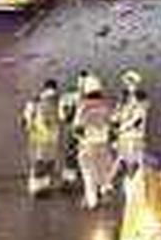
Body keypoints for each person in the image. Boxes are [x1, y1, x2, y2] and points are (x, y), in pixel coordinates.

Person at [72, 74, 117, 211]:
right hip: (103, 143)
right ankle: (105, 190)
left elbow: (77, 127)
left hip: (87, 145)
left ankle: (92, 201)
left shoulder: (83, 107)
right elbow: (114, 123)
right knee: (104, 170)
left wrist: (79, 138)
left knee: (88, 173)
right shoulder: (107, 106)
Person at [21, 81, 64, 198]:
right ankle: (44, 185)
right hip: (51, 137)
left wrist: (28, 127)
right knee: (48, 162)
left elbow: (25, 120)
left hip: (37, 136)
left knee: (38, 161)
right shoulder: (59, 101)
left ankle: (37, 186)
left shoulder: (34, 102)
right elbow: (62, 118)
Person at [115, 71, 150, 178]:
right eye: (126, 82)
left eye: (129, 82)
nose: (128, 85)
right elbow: (117, 114)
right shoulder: (123, 98)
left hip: (135, 136)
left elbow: (138, 118)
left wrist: (123, 128)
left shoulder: (141, 99)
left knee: (135, 159)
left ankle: (135, 179)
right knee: (123, 158)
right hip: (123, 137)